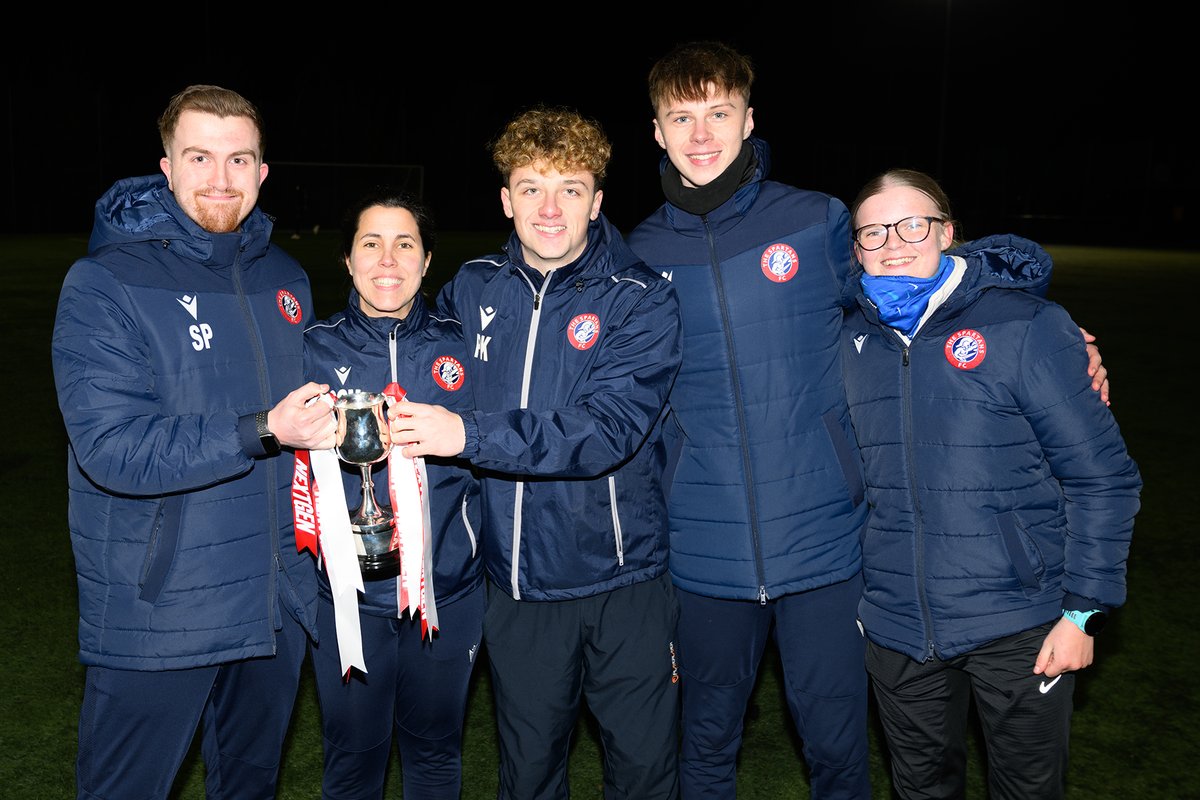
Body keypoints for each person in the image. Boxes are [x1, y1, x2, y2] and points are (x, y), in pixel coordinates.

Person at [623, 42, 1111, 799]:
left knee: (838, 749)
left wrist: (1040, 314)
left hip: (825, 545)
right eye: (680, 116)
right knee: (705, 746)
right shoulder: (638, 252)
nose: (700, 133)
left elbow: (914, 269)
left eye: (718, 112)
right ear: (655, 132)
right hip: (704, 549)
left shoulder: (813, 221)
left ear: (749, 120)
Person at [51, 85, 338, 798]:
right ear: (166, 167)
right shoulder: (104, 282)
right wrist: (263, 429)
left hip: (276, 606)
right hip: (164, 612)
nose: (220, 178)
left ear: (263, 171)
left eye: (239, 159)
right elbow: (113, 447)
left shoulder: (286, 276)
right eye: (200, 157)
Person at [392, 107, 684, 799]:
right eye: (531, 188)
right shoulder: (473, 287)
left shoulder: (641, 299)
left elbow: (606, 430)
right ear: (506, 199)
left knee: (643, 776)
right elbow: (416, 368)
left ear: (598, 200)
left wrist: (467, 436)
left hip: (624, 582)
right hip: (517, 587)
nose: (549, 209)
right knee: (527, 778)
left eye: (570, 189)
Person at [843, 168, 1141, 799]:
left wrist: (1082, 614)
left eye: (912, 224)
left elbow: (1104, 479)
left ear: (948, 233)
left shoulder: (1024, 326)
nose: (893, 241)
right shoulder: (848, 338)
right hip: (897, 625)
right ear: (856, 249)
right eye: (873, 231)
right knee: (920, 790)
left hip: (1022, 624)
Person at [303, 188, 483, 799]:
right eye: (370, 243)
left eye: (405, 244)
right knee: (353, 760)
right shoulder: (311, 348)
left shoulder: (464, 346)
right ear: (347, 261)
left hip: (448, 595)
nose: (387, 259)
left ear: (428, 260)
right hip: (347, 601)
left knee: (434, 754)